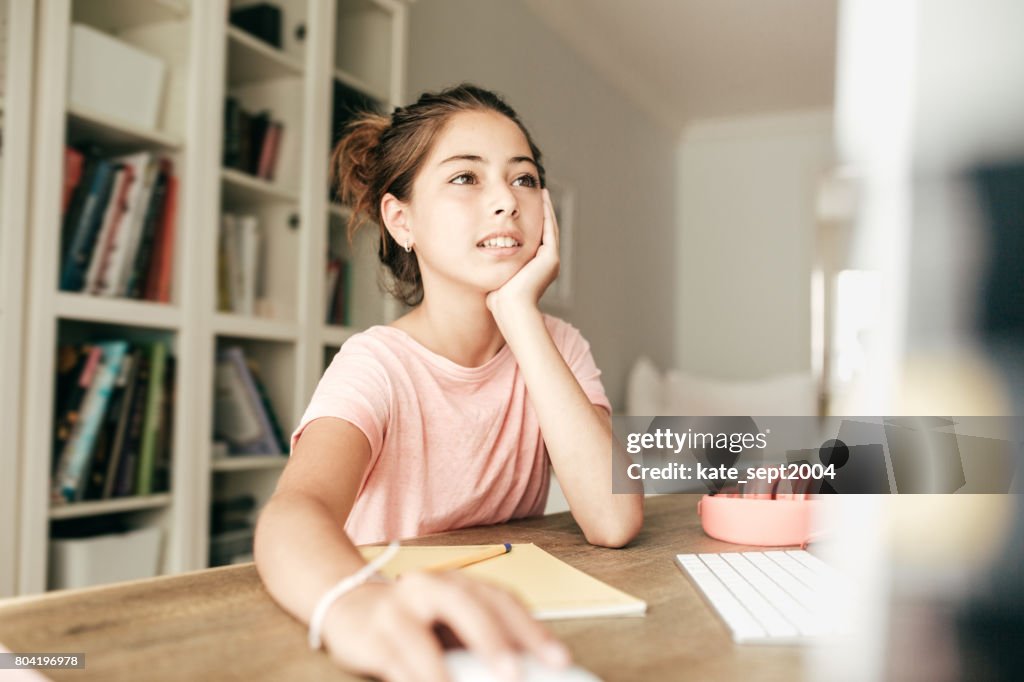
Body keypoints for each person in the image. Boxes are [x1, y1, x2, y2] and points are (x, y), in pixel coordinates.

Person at [253, 83, 644, 682]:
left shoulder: (559, 346)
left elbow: (614, 520)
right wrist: (359, 607)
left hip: (506, 624)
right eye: (466, 178)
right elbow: (292, 513)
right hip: (394, 635)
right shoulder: (376, 363)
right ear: (401, 219)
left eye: (525, 179)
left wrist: (518, 316)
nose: (506, 202)